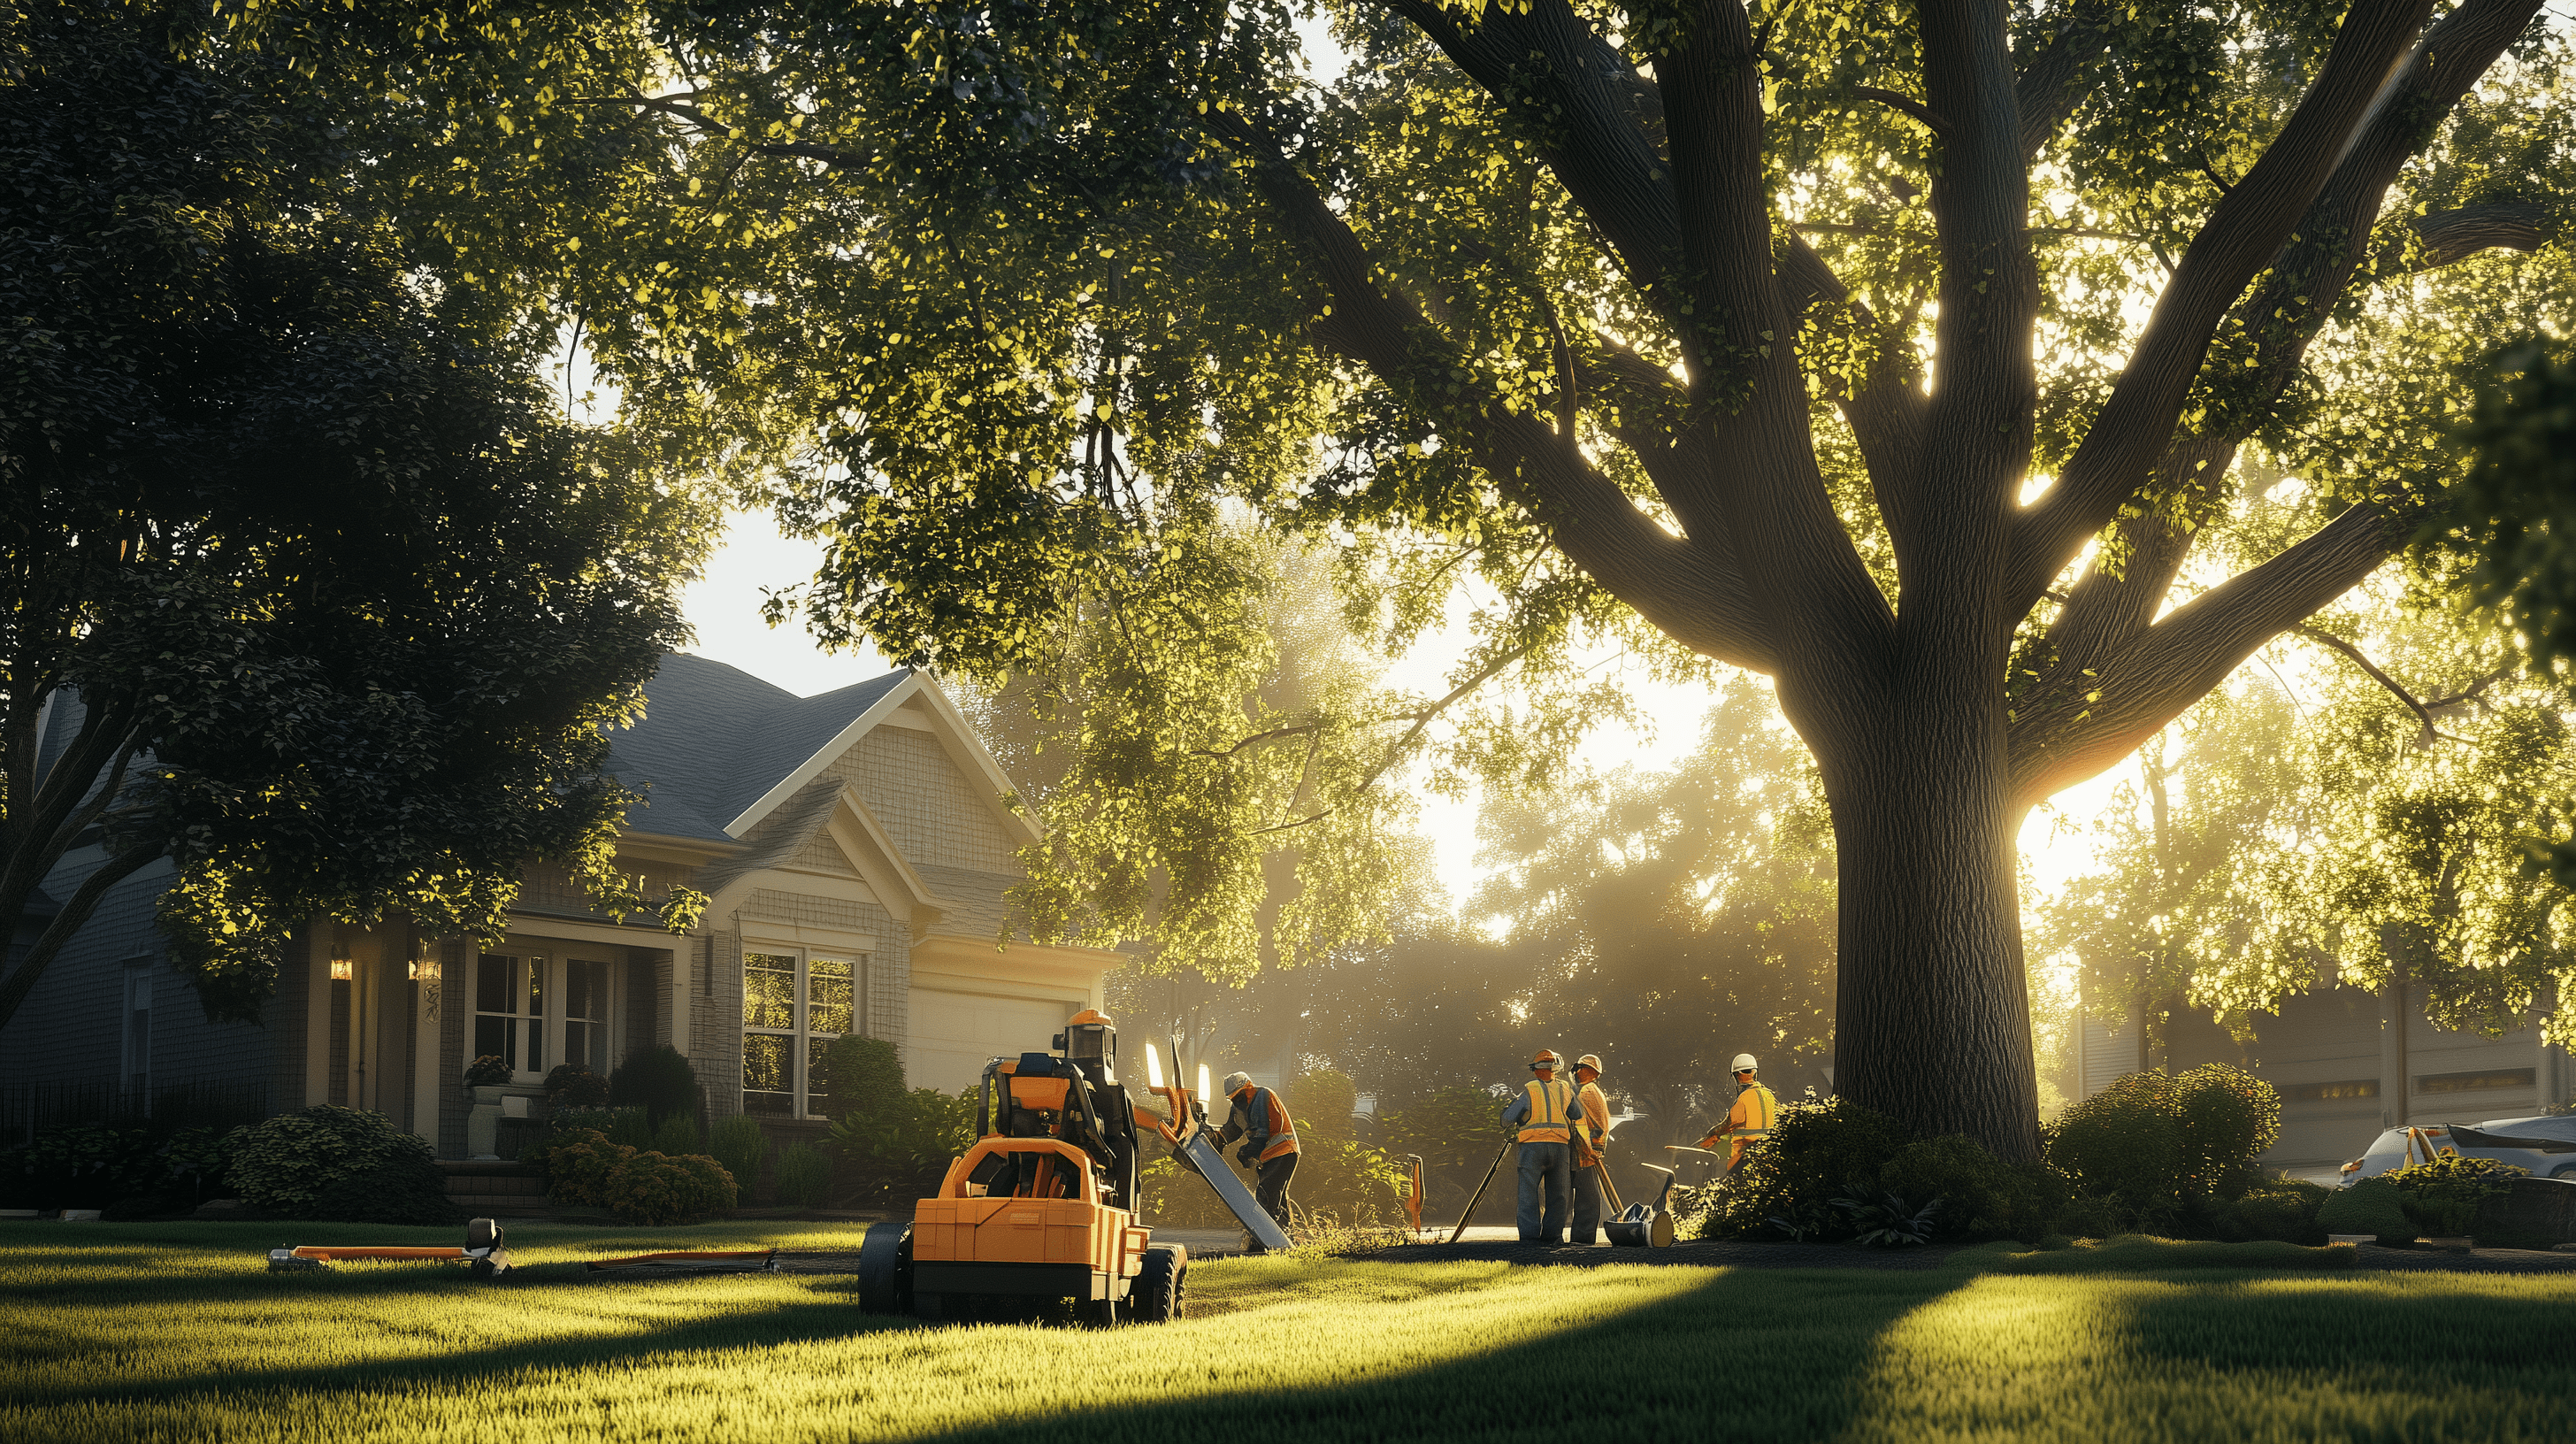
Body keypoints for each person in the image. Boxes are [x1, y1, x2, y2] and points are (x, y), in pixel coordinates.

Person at [1499, 1048, 1578, 1243]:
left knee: (1528, 1193)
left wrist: (1508, 1110)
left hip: (1533, 1148)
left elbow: (1507, 1119)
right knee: (1559, 1194)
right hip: (1560, 1146)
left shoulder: (1530, 1089)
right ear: (1555, 1069)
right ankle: (1553, 1236)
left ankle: (1530, 1238)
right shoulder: (1565, 1089)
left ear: (1535, 1069)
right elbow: (1577, 1114)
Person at [1218, 1071, 1299, 1239]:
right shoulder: (1240, 1105)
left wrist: (1247, 1152)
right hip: (1271, 1155)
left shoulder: (1262, 1095)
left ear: (1248, 1088)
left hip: (1283, 1151)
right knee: (1276, 1197)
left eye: (1238, 1096)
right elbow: (1232, 1128)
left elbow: (1261, 1132)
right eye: (1232, 1098)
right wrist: (1218, 1138)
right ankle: (1286, 1239)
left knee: (1266, 1195)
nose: (1235, 1101)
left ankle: (1270, 1240)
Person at [1697, 1053, 1779, 1171]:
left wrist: (1701, 1145)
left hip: (1743, 1159)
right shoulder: (1769, 1096)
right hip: (1768, 1157)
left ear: (1737, 1075)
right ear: (1755, 1072)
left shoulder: (1744, 1098)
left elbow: (1725, 1127)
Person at [1568, 1054, 1613, 1244]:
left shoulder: (1586, 1093)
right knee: (1589, 1198)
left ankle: (1582, 1238)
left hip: (1585, 1152)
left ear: (1588, 1071)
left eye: (1579, 1069)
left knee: (1588, 1199)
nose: (1576, 1073)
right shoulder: (1593, 1091)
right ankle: (1582, 1238)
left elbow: (1583, 1125)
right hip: (1589, 1151)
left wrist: (1590, 1149)